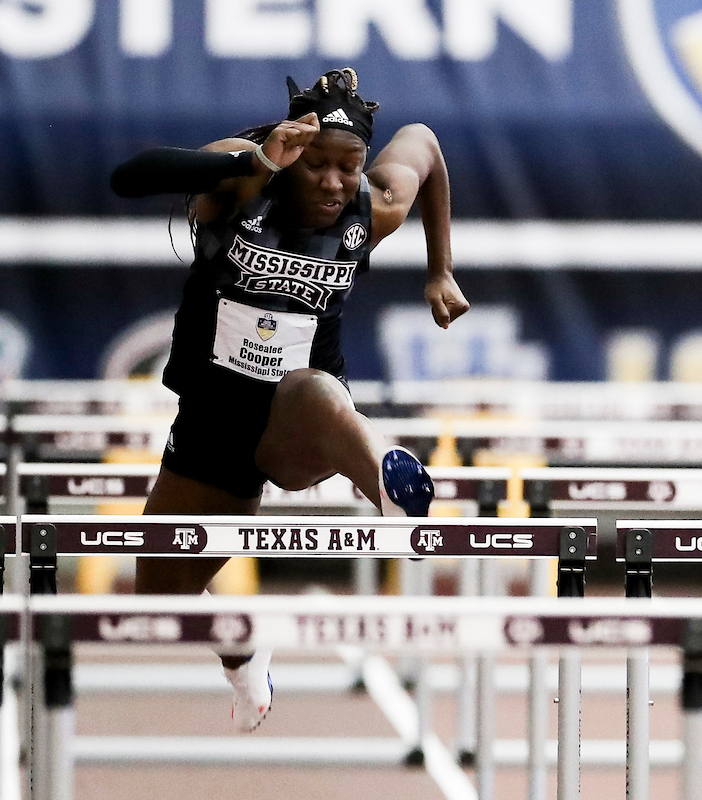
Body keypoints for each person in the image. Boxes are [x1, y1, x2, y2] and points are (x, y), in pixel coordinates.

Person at [110, 68, 470, 730]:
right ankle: (243, 650)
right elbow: (130, 176)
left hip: (301, 423)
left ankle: (389, 490)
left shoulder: (376, 203)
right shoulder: (244, 177)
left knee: (312, 390)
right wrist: (257, 158)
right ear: (293, 151)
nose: (335, 183)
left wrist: (439, 267)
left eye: (349, 166)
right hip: (215, 420)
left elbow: (424, 143)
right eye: (318, 165)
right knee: (159, 593)